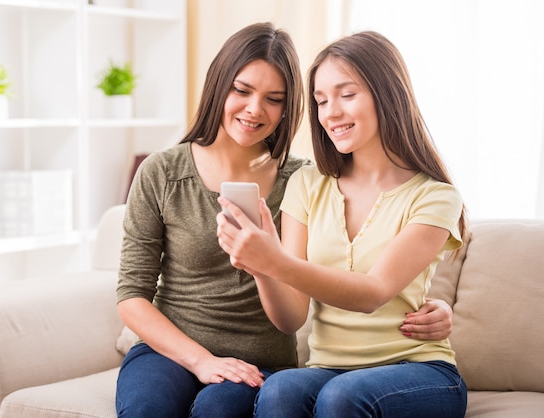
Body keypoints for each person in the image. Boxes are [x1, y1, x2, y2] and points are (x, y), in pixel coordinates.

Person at [116, 23, 455, 418]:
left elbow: (373, 281)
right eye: (241, 90)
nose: (255, 109)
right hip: (174, 352)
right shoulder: (166, 172)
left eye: (273, 99)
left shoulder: (300, 178)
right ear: (218, 86)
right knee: (146, 410)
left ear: (288, 107)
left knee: (220, 411)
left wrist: (437, 305)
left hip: (262, 358)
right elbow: (131, 293)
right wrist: (200, 360)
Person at [216, 30, 468, 417]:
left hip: (418, 370)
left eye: (347, 95)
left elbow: (373, 292)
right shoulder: (307, 184)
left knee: (342, 396)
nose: (330, 112)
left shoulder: (435, 196)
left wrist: (275, 260)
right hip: (329, 369)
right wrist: (260, 267)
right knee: (281, 389)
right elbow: (291, 318)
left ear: (387, 95)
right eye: (321, 100)